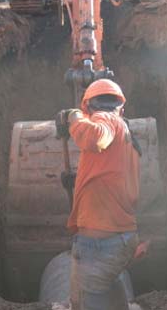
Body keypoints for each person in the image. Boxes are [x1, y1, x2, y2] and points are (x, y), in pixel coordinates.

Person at [55, 79, 149, 310]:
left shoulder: (105, 118)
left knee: (87, 300)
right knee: (108, 284)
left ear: (87, 108)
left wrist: (73, 117)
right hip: (122, 239)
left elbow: (95, 138)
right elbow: (110, 176)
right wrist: (79, 181)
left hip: (99, 244)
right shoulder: (128, 140)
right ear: (122, 109)